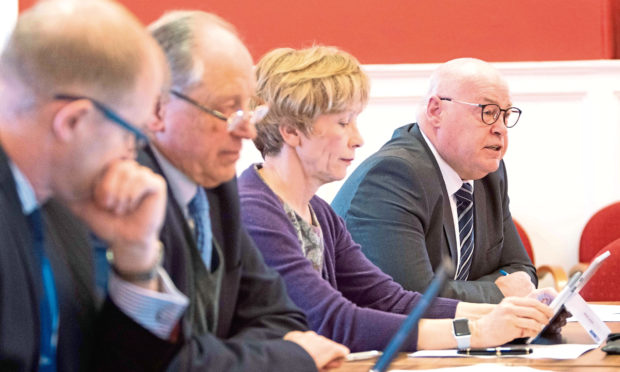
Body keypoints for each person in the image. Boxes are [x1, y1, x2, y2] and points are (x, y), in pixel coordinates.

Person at [237, 46, 553, 352]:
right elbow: (336, 321)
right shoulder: (254, 212)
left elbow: (393, 300)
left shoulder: (319, 213)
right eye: (344, 122)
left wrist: (510, 314)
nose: (358, 139)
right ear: (291, 131)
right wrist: (477, 331)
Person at [139, 11, 348, 371]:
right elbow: (170, 362)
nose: (248, 132)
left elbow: (283, 318)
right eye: (226, 110)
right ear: (157, 108)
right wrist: (291, 357)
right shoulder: (128, 197)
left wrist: (218, 353)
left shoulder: (217, 189)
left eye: (248, 109)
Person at [0, 0, 187, 370]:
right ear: (73, 121)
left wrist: (137, 259)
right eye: (131, 136)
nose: (131, 157)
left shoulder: (61, 211)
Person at [332, 57, 536, 303]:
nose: (501, 128)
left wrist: (496, 287)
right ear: (436, 111)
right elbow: (413, 300)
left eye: (505, 115)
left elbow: (521, 272)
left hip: (464, 336)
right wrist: (500, 290)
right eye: (488, 112)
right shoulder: (393, 176)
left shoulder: (488, 172)